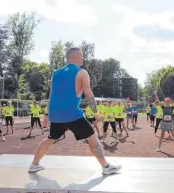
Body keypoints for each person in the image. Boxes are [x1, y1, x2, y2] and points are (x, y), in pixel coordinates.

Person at [28, 47, 121, 175]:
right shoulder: (81, 72)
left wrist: (47, 114)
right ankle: (106, 167)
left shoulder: (56, 73)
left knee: (50, 138)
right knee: (92, 138)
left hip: (56, 115)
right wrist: (96, 112)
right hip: (72, 114)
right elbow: (88, 93)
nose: (83, 58)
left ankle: (34, 164)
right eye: (81, 55)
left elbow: (51, 96)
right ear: (74, 57)